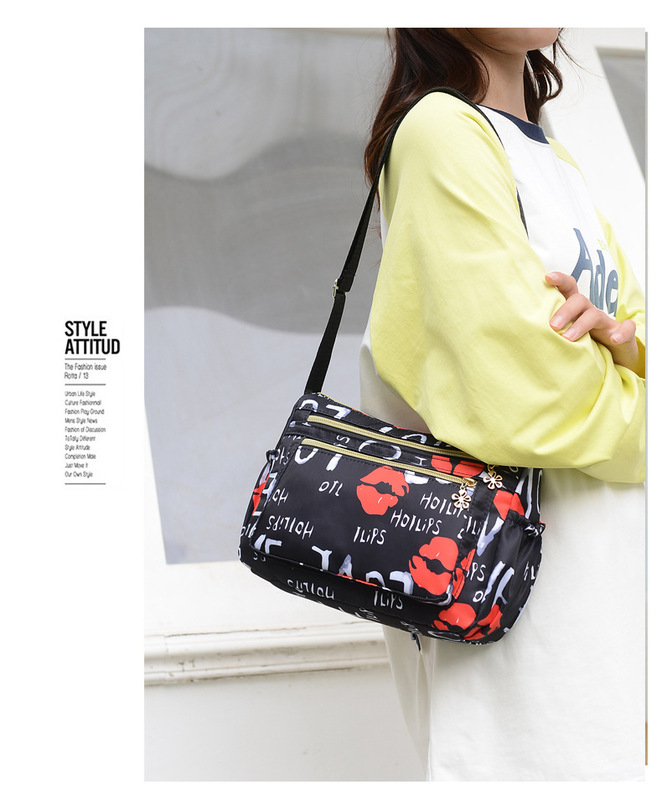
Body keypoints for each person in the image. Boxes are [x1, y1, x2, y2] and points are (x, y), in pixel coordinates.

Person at [359, 28, 645, 781]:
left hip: (608, 593)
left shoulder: (553, 157)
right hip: (521, 605)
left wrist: (618, 348)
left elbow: (631, 331)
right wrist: (625, 374)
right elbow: (521, 397)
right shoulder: (440, 133)